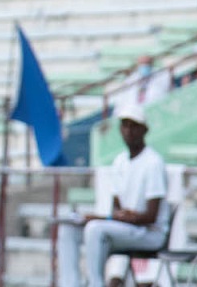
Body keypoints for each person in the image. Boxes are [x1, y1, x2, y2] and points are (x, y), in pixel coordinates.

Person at [57, 103, 170, 287]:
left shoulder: (153, 163)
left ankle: (96, 283)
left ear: (144, 130)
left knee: (95, 228)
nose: (128, 131)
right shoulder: (120, 162)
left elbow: (150, 217)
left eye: (133, 126)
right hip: (126, 228)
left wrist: (114, 217)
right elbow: (116, 208)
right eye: (124, 125)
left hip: (149, 234)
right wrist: (116, 217)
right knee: (69, 229)